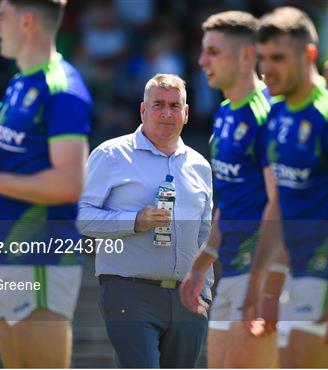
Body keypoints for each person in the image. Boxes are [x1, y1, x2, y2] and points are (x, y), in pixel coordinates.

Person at [242, 7, 328, 368]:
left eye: (278, 57)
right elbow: (280, 204)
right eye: (262, 58)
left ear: (308, 54)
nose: (267, 69)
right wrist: (261, 279)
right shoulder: (276, 113)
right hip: (297, 269)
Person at [77, 73, 212, 368]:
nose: (166, 113)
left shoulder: (200, 166)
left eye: (175, 106)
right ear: (142, 110)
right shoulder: (112, 154)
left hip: (188, 297)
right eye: (158, 105)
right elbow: (80, 217)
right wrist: (133, 221)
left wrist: (205, 290)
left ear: (186, 113)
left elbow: (205, 234)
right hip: (129, 289)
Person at [0, 0, 92, 367]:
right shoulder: (18, 83)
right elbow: (23, 165)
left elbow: (68, 183)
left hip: (42, 258)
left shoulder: (60, 88)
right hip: (8, 255)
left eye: (2, 17)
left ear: (27, 22)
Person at [179, 11, 283, 368]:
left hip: (261, 271)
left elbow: (282, 204)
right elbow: (232, 201)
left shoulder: (267, 113)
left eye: (213, 51)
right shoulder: (224, 114)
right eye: (203, 50)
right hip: (233, 272)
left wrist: (271, 287)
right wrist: (200, 264)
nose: (201, 60)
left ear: (246, 56)